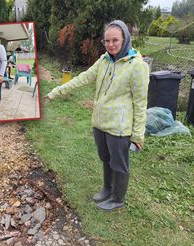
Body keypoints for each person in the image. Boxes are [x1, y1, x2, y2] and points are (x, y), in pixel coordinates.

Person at [45, 20, 149, 211]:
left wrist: (138, 135)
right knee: (105, 159)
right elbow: (82, 78)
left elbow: (141, 103)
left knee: (119, 164)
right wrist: (56, 91)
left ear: (125, 39)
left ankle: (118, 199)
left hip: (119, 127)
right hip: (100, 123)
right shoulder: (104, 60)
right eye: (107, 41)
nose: (111, 44)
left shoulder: (137, 66)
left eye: (115, 40)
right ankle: (107, 189)